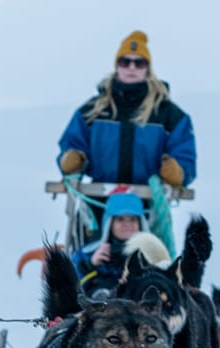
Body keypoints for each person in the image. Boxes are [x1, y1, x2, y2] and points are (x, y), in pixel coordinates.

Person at [57, 30, 196, 212]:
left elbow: (185, 157)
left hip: (148, 207)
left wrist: (177, 172)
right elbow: (72, 144)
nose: (131, 68)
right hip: (99, 204)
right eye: (125, 62)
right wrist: (72, 160)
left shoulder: (168, 116)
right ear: (117, 66)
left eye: (139, 63)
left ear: (148, 69)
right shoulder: (92, 112)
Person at [72, 192, 149, 296]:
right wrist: (89, 265)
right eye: (120, 219)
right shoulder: (86, 254)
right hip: (99, 306)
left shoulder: (152, 254)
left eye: (132, 219)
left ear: (140, 223)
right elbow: (67, 287)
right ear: (109, 223)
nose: (127, 224)